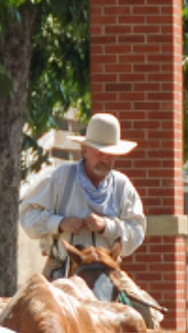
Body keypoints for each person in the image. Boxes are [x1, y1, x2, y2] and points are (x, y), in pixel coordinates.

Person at [19, 113, 146, 279]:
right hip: (62, 270)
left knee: (142, 304)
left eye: (110, 154)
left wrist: (106, 226)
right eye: (100, 153)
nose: (105, 159)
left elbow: (137, 230)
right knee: (34, 303)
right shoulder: (60, 178)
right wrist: (59, 223)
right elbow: (27, 215)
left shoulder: (122, 186)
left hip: (107, 272)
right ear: (85, 150)